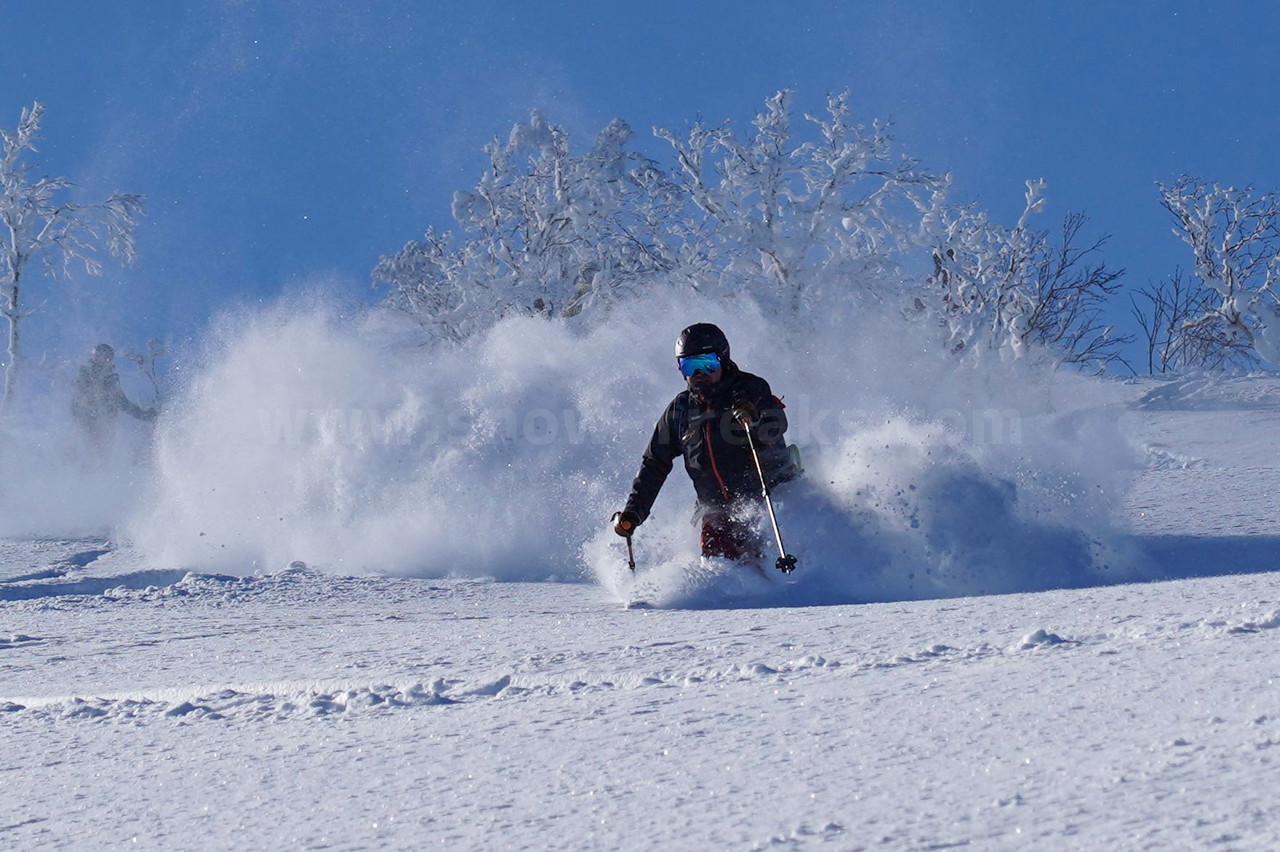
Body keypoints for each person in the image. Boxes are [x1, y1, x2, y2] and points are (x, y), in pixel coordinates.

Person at [613, 323, 797, 563]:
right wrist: (634, 512)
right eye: (689, 366)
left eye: (707, 363)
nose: (699, 374)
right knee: (720, 563)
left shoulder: (750, 388)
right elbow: (654, 464)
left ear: (723, 359)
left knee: (765, 560)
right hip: (716, 510)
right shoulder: (680, 411)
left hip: (769, 498)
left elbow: (776, 424)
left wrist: (753, 418)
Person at [70, 343, 156, 451]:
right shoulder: (87, 376)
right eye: (101, 357)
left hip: (105, 426)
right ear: (95, 357)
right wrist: (87, 418)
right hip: (91, 425)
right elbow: (76, 404)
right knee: (94, 453)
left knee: (103, 453)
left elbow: (122, 403)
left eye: (108, 358)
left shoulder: (110, 379)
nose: (105, 361)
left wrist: (144, 415)